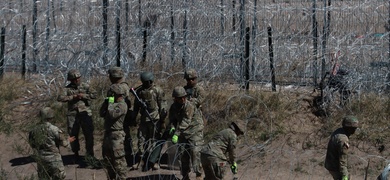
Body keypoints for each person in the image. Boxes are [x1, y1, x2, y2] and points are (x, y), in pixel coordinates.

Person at [57, 69, 97, 161]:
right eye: (74, 79)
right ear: (70, 80)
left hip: (85, 113)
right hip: (72, 114)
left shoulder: (86, 86)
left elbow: (94, 95)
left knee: (89, 134)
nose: (77, 80)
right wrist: (72, 97)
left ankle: (90, 154)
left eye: (78, 78)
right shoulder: (67, 89)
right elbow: (60, 98)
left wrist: (84, 96)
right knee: (73, 134)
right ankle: (75, 153)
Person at [131, 71, 167, 171]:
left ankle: (154, 161)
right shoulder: (139, 92)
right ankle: (141, 160)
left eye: (147, 82)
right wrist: (133, 118)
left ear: (151, 81)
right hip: (143, 120)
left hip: (155, 120)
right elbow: (136, 107)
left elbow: (163, 106)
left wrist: (162, 120)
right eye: (144, 82)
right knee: (141, 140)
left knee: (155, 141)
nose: (145, 84)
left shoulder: (158, 90)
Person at [167, 86, 204, 180]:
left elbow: (186, 121)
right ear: (175, 98)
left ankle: (198, 175)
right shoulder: (173, 107)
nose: (183, 99)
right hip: (183, 132)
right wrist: (172, 128)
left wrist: (176, 133)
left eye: (184, 96)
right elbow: (172, 120)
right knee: (183, 154)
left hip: (195, 130)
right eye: (180, 98)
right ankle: (185, 175)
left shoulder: (189, 105)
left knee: (195, 152)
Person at [28, 107, 75, 180]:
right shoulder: (53, 129)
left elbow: (32, 144)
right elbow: (64, 143)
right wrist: (68, 140)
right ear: (50, 116)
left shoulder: (34, 130)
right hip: (54, 160)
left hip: (41, 160)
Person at [105, 67, 134, 166]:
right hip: (119, 114)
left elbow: (116, 103)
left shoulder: (121, 87)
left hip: (119, 115)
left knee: (123, 138)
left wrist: (109, 104)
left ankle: (127, 158)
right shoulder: (121, 86)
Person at [100, 84, 128, 180]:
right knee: (107, 159)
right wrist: (106, 103)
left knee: (119, 160)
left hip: (117, 135)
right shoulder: (110, 104)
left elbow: (112, 114)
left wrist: (110, 103)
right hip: (108, 134)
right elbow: (101, 113)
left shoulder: (122, 105)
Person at [325, 115, 359, 180]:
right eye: (353, 128)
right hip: (336, 167)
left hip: (330, 164)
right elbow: (342, 161)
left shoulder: (338, 131)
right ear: (349, 128)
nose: (354, 130)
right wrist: (345, 175)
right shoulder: (343, 140)